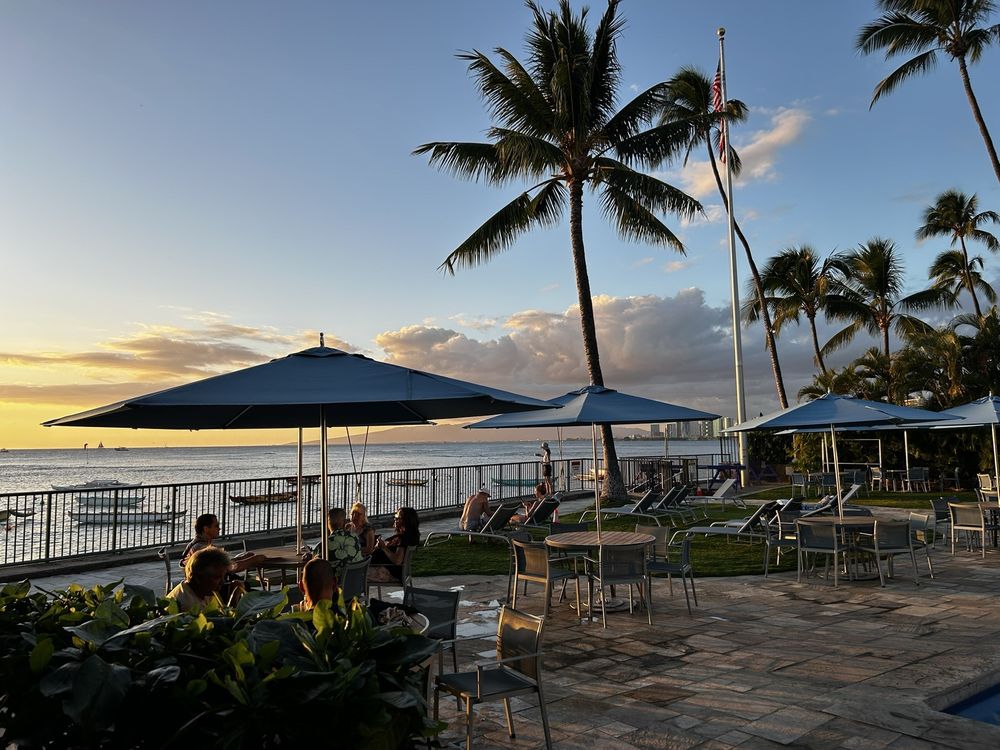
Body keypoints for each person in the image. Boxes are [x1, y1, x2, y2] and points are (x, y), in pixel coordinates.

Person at [180, 513, 262, 603]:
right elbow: (228, 568)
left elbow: (221, 564)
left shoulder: (196, 544)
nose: (219, 528)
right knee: (252, 592)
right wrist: (253, 560)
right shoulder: (202, 548)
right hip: (211, 589)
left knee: (246, 584)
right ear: (206, 529)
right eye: (216, 526)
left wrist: (243, 557)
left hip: (206, 586)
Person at [167, 546, 230, 612]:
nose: (222, 582)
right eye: (217, 577)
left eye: (223, 577)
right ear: (198, 577)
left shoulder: (205, 591)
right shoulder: (187, 605)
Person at [369, 506, 420, 584]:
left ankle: (355, 595)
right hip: (385, 569)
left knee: (353, 574)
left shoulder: (404, 539)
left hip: (388, 573)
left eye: (398, 518)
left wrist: (383, 547)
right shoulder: (409, 536)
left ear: (405, 521)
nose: (395, 519)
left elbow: (397, 561)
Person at [327, 507, 363, 579]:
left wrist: (311, 555)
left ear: (328, 524)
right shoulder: (354, 537)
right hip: (357, 581)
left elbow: (317, 561)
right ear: (344, 522)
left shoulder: (326, 543)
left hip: (336, 584)